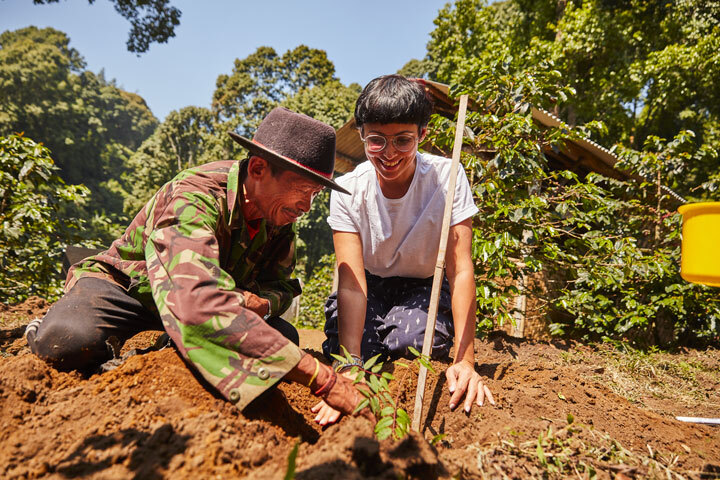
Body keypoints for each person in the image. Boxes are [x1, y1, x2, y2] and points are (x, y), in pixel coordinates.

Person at [26, 107, 363, 417]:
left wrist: (263, 302)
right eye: (302, 190)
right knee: (64, 343)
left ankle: (167, 345)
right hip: (131, 288)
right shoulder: (194, 196)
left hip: (206, 306)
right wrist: (324, 380)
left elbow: (281, 287)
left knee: (283, 336)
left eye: (315, 196)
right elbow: (194, 298)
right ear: (259, 168)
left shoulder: (281, 220)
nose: (306, 206)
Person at [314, 75, 495, 424]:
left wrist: (466, 361)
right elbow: (350, 282)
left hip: (424, 285)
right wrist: (351, 367)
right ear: (363, 135)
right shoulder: (348, 189)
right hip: (366, 284)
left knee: (410, 342)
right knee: (360, 353)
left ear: (422, 135)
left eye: (403, 140)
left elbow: (460, 270)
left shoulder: (448, 179)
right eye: (377, 141)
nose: (390, 153)